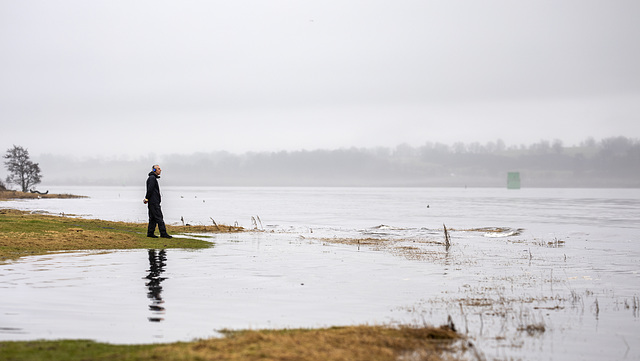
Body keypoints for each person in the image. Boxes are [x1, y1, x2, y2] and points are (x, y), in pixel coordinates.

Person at [143, 165, 172, 238]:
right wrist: (146, 198)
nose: (160, 170)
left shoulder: (152, 178)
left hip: (153, 201)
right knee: (159, 218)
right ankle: (163, 233)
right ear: (154, 170)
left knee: (152, 218)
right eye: (159, 169)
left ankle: (150, 233)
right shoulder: (152, 178)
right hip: (153, 202)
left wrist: (147, 198)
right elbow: (150, 189)